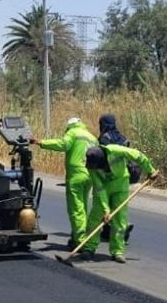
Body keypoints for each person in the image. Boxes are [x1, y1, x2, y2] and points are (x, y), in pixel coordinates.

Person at [80, 144, 157, 263]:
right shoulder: (92, 166)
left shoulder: (115, 150)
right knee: (95, 217)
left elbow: (137, 155)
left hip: (120, 186)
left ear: (103, 161)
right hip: (103, 188)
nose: (96, 169)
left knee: (120, 219)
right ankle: (89, 248)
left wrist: (150, 169)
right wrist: (106, 210)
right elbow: (99, 188)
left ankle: (117, 251)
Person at [29, 117, 98, 249]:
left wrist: (40, 142)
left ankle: (80, 242)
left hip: (76, 175)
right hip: (89, 176)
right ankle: (75, 237)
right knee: (82, 207)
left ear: (69, 126)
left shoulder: (73, 132)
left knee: (75, 210)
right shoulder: (92, 137)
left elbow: (63, 144)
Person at [97, 113, 140, 243]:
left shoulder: (104, 139)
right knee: (119, 206)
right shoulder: (122, 138)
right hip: (124, 176)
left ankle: (112, 229)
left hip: (109, 177)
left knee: (106, 204)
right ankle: (113, 230)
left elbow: (103, 157)